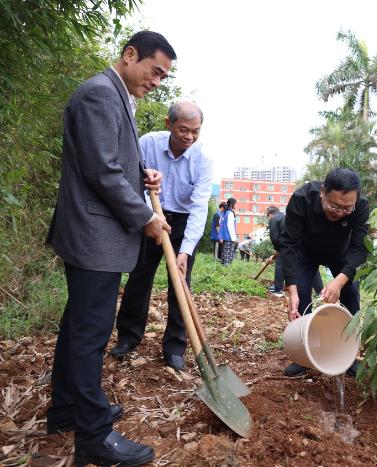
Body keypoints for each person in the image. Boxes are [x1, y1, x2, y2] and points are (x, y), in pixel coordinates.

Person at [45, 31, 175, 466]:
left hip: (92, 233)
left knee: (79, 325)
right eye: (154, 71)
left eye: (164, 76)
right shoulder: (100, 94)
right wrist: (145, 217)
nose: (157, 81)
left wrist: (143, 175)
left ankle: (66, 409)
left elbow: (111, 162)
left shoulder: (116, 95)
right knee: (91, 333)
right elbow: (101, 171)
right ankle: (94, 437)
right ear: (129, 54)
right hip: (92, 236)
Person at [110, 101, 213, 371]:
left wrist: (186, 250)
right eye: (183, 130)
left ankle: (175, 347)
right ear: (169, 124)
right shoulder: (148, 144)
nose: (189, 137)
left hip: (182, 223)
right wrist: (149, 218)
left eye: (195, 131)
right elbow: (133, 183)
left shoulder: (202, 160)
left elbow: (200, 208)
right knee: (139, 278)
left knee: (180, 284)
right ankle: (128, 337)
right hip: (149, 215)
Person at [280, 168, 369, 377]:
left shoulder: (361, 206)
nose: (339, 213)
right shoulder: (302, 198)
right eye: (334, 205)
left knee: (350, 295)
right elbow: (289, 244)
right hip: (305, 251)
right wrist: (291, 291)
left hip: (341, 252)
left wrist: (338, 282)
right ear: (322, 192)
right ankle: (304, 355)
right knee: (300, 295)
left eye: (346, 209)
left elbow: (360, 248)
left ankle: (350, 354)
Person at [266, 205, 322, 298]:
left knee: (280, 262)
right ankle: (320, 291)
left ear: (270, 214)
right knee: (311, 265)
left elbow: (274, 237)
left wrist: (278, 250)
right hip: (302, 244)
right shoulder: (285, 217)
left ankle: (277, 288)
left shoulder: (273, 219)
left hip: (288, 245)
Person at [219, 197, 238, 265]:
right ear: (232, 204)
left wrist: (221, 236)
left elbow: (220, 224)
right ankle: (227, 269)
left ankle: (223, 268)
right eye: (235, 204)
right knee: (229, 254)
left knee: (224, 253)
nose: (235, 205)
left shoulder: (224, 213)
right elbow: (230, 227)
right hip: (229, 237)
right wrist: (234, 238)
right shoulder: (230, 213)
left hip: (224, 237)